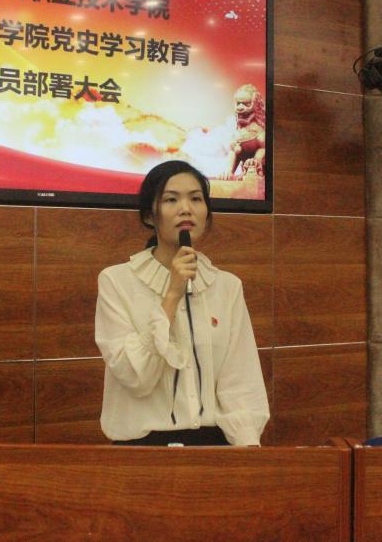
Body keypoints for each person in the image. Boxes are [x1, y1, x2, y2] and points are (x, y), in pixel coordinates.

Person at [94, 160, 269, 446]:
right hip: (143, 448)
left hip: (214, 445)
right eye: (171, 199)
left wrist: (249, 449)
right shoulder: (116, 282)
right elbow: (135, 377)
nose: (186, 209)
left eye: (196, 199)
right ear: (149, 215)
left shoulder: (227, 287)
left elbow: (241, 380)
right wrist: (173, 293)